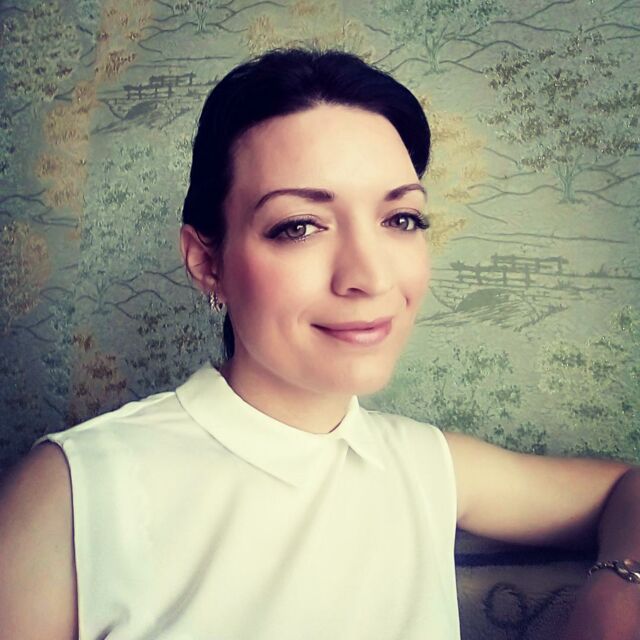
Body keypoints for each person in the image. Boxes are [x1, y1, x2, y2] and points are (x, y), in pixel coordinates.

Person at [0, 48, 638, 640]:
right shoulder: (73, 489)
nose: (369, 277)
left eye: (401, 219)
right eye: (300, 226)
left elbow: (626, 490)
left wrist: (616, 597)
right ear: (207, 262)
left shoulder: (425, 465)